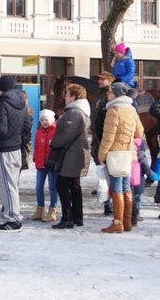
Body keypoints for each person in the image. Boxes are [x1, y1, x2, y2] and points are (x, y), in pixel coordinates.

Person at [97, 82, 144, 233]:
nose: (107, 94)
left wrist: (101, 154)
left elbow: (108, 137)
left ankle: (117, 222)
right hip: (129, 154)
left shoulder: (113, 110)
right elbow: (139, 132)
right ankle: (127, 222)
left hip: (116, 154)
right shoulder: (131, 109)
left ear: (116, 93)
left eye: (110, 91)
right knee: (126, 187)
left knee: (117, 187)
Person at [0, 75, 31, 232]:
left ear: (0, 88)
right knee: (12, 185)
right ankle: (14, 216)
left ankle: (13, 220)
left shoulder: (2, 103)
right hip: (17, 148)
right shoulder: (21, 101)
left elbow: (1, 129)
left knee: (6, 186)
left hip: (5, 149)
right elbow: (28, 125)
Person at [48, 84, 90, 230]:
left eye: (66, 94)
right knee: (74, 185)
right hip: (75, 152)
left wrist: (53, 143)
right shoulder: (79, 111)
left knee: (61, 185)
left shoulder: (74, 112)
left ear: (74, 97)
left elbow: (67, 134)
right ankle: (77, 217)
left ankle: (67, 218)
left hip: (71, 153)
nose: (64, 97)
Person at [90, 71, 114, 216]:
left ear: (109, 81)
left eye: (102, 79)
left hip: (104, 141)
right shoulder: (98, 95)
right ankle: (106, 202)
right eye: (98, 78)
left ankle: (110, 204)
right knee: (102, 175)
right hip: (96, 141)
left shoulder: (109, 96)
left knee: (109, 174)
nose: (99, 81)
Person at [31, 109, 57, 223]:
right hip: (40, 164)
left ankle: (52, 211)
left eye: (46, 119)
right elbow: (36, 147)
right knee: (39, 187)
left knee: (52, 187)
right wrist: (35, 158)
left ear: (51, 120)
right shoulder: (39, 132)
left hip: (51, 164)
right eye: (42, 120)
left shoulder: (56, 131)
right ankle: (39, 210)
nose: (44, 122)